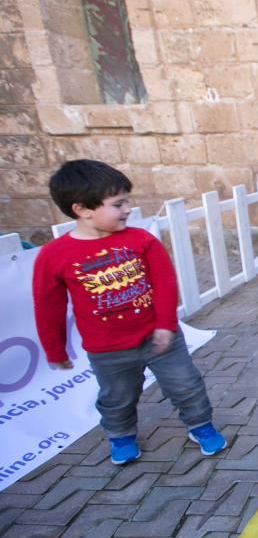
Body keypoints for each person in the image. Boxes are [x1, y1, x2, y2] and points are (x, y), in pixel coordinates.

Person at [32, 160, 227, 465]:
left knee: (186, 384)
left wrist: (165, 325)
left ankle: (200, 425)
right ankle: (120, 435)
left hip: (160, 338)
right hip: (107, 349)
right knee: (117, 397)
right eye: (118, 204)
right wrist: (54, 349)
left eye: (127, 202)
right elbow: (48, 306)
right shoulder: (54, 255)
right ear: (82, 209)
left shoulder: (141, 240)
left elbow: (164, 282)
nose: (127, 210)